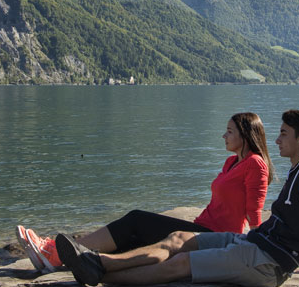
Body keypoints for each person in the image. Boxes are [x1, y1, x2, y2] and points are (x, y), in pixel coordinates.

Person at [54, 108, 299, 287]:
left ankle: (101, 273)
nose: (276, 140)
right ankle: (97, 262)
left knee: (182, 263)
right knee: (178, 239)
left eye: (284, 134)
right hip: (254, 244)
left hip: (267, 263)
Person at [17, 112, 270, 273]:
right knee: (135, 240)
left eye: (229, 131)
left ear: (246, 136)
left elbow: (254, 212)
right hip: (200, 228)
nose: (223, 135)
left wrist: (257, 249)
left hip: (215, 237)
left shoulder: (256, 164)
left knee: (137, 220)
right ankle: (63, 258)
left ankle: (54, 252)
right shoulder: (231, 162)